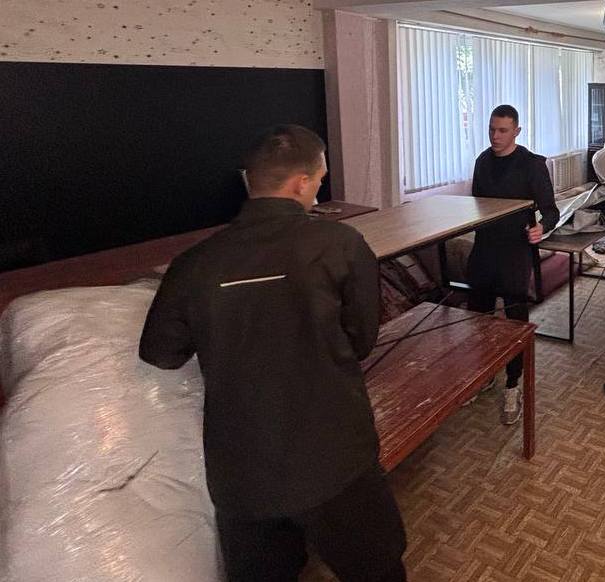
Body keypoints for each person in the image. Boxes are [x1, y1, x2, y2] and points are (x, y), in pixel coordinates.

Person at [139, 124, 407, 582]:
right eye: (320, 179)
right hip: (335, 455)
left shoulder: (192, 265)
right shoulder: (342, 245)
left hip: (243, 470)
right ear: (301, 183)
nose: (319, 188)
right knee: (376, 572)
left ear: (251, 180)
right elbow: (361, 340)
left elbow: (161, 354)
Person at [467, 104, 559, 425]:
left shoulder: (532, 165)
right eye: (492, 129)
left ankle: (512, 384)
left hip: (514, 254)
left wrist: (541, 228)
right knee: (479, 319)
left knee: (514, 322)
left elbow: (551, 211)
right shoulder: (482, 161)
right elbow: (476, 205)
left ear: (517, 131)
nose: (495, 135)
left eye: (503, 130)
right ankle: (486, 374)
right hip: (484, 250)